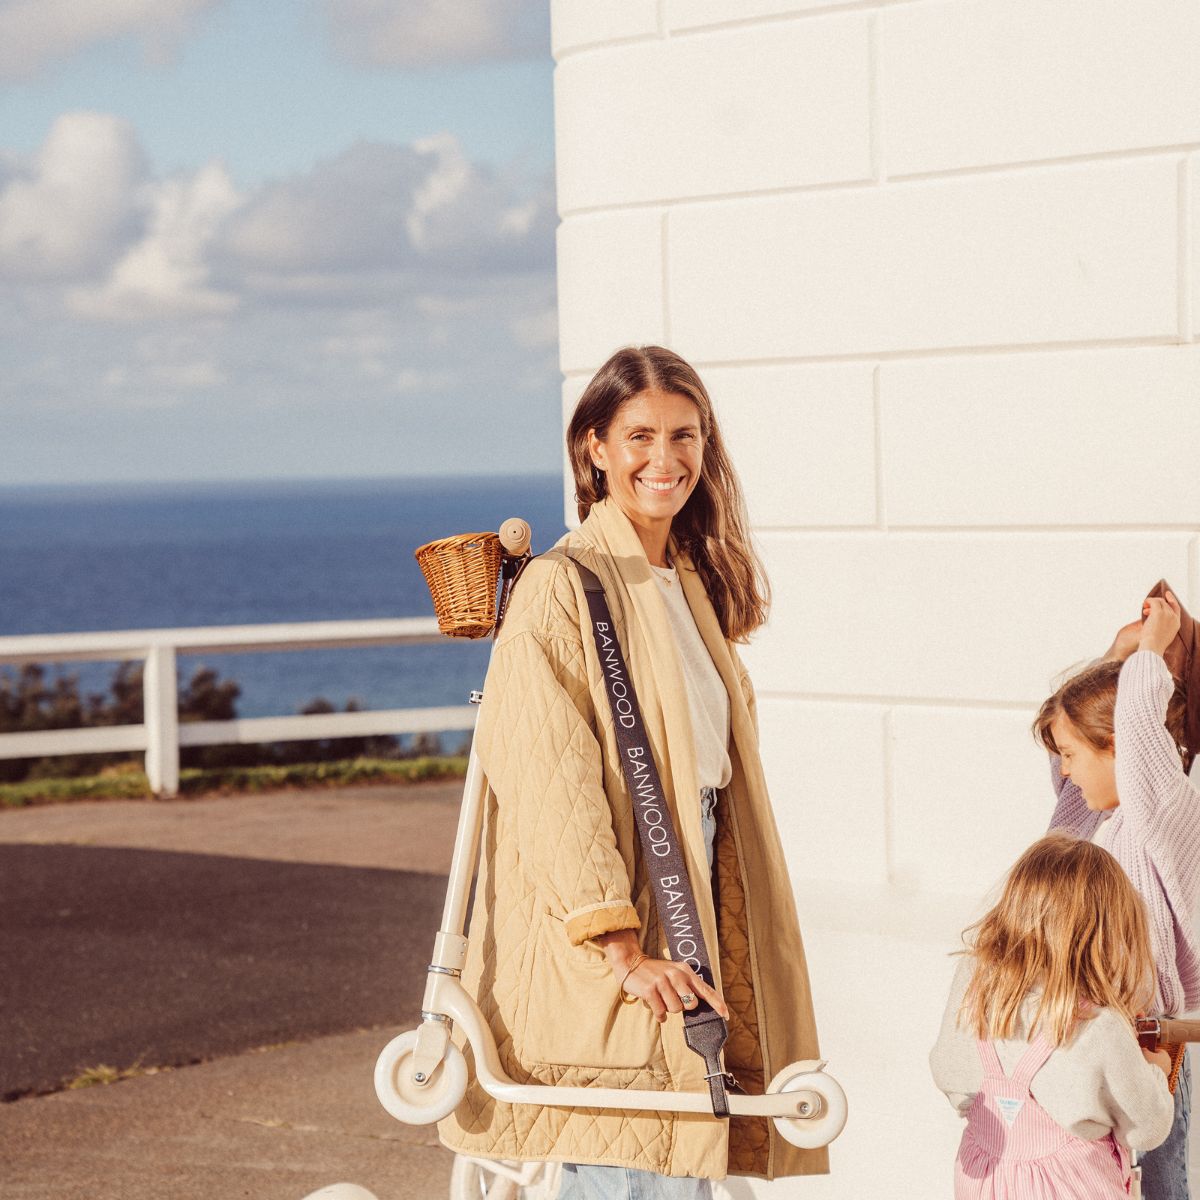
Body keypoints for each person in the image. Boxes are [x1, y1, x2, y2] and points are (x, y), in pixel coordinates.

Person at [437, 346, 827, 1193]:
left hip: (691, 888)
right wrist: (619, 945)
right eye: (640, 435)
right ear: (596, 449)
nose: (666, 458)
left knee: (679, 1160)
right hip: (616, 917)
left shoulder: (685, 582)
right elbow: (551, 783)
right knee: (631, 1153)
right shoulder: (560, 587)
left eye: (684, 436)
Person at [1033, 591, 1200, 1199]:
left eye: (1074, 755)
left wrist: (1151, 650)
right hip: (1088, 1040)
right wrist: (1116, 652)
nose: (1066, 772)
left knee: (1158, 1187)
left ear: (1121, 750)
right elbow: (1076, 768)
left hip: (1148, 1047)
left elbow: (1133, 726)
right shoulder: (1092, 825)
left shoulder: (1164, 816)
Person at [930, 834, 1174, 1198]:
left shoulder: (974, 988)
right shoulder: (1100, 1029)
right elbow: (1147, 1128)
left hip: (984, 1184)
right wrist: (1157, 1070)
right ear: (1105, 937)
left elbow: (948, 1070)